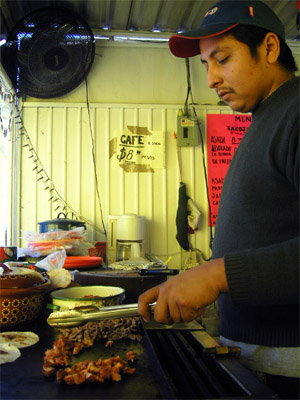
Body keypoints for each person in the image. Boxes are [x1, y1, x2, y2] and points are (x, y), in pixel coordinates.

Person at [138, 1, 299, 398]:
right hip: (258, 354)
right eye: (206, 65)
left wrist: (216, 275)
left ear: (270, 48)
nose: (211, 79)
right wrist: (200, 281)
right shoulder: (265, 116)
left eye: (222, 59)